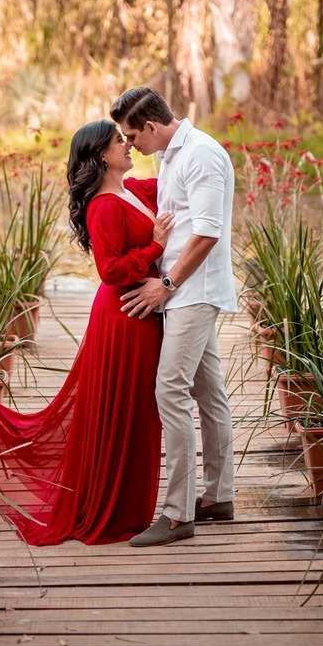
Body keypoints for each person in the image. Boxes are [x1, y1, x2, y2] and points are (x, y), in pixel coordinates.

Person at [0, 119, 175, 545]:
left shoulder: (131, 191)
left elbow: (171, 184)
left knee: (138, 410)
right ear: (101, 156)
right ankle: (112, 508)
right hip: (125, 315)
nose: (130, 145)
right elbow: (110, 270)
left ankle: (130, 503)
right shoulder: (103, 206)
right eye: (121, 141)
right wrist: (155, 247)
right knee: (127, 406)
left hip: (143, 310)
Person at [111, 87, 237, 548]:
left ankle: (178, 513)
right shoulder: (170, 155)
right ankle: (218, 496)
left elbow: (206, 233)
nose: (129, 145)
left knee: (171, 388)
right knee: (208, 390)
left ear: (150, 125)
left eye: (131, 135)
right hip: (184, 289)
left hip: (191, 292)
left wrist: (165, 286)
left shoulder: (201, 154)